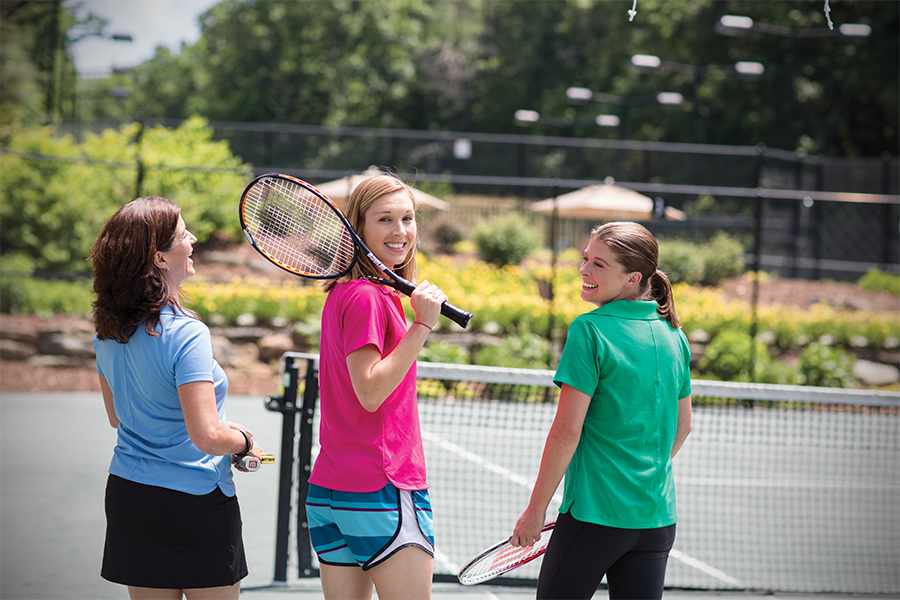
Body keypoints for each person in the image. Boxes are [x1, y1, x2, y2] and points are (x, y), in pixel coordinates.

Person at [90, 196, 263, 600]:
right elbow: (206, 437)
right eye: (184, 234)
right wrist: (244, 441)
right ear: (159, 258)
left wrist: (222, 430)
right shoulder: (188, 333)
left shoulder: (106, 331)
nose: (194, 238)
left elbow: (118, 417)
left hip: (130, 498)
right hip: (195, 505)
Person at [511, 221, 693, 600]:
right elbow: (683, 427)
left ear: (633, 279)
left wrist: (535, 510)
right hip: (656, 521)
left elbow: (567, 432)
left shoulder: (589, 330)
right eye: (585, 258)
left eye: (599, 264)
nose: (584, 270)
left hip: (595, 517)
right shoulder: (674, 335)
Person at [304, 174, 445, 600]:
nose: (400, 231)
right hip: (380, 487)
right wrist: (421, 325)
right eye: (385, 219)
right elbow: (369, 391)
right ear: (358, 228)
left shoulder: (345, 293)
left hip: (333, 490)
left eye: (407, 218)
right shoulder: (367, 297)